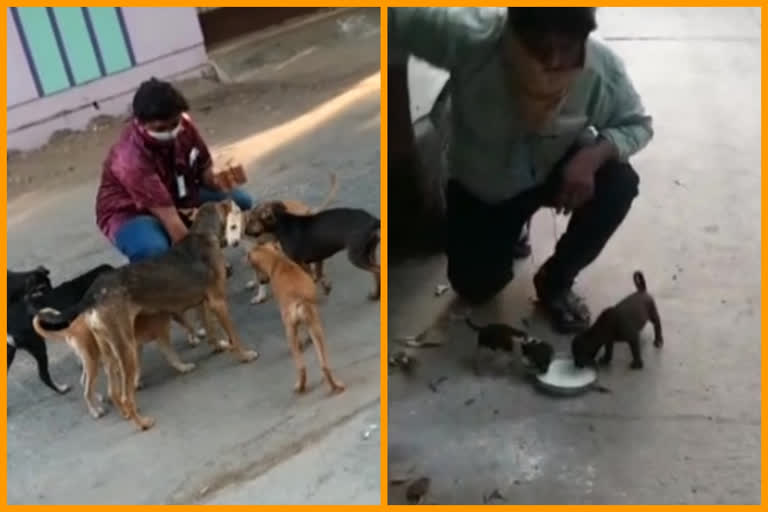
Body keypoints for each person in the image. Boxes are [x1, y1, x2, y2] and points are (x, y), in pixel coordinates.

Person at [389, 7, 653, 333]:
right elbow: (393, 22)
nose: (554, 62)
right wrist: (397, 128)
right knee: (475, 288)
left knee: (620, 182)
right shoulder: (471, 39)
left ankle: (555, 280)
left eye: (568, 47)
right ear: (511, 34)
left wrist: (594, 156)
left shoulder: (600, 67)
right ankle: (512, 229)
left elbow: (637, 125)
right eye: (538, 48)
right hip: (484, 185)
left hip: (555, 164)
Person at [95, 78, 254, 263]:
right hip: (131, 211)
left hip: (178, 194)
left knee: (239, 202)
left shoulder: (184, 125)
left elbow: (203, 167)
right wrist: (206, 265)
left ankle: (201, 249)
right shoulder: (129, 158)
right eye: (160, 128)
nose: (170, 131)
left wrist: (216, 179)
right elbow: (171, 220)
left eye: (173, 124)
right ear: (140, 123)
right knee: (154, 250)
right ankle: (155, 272)